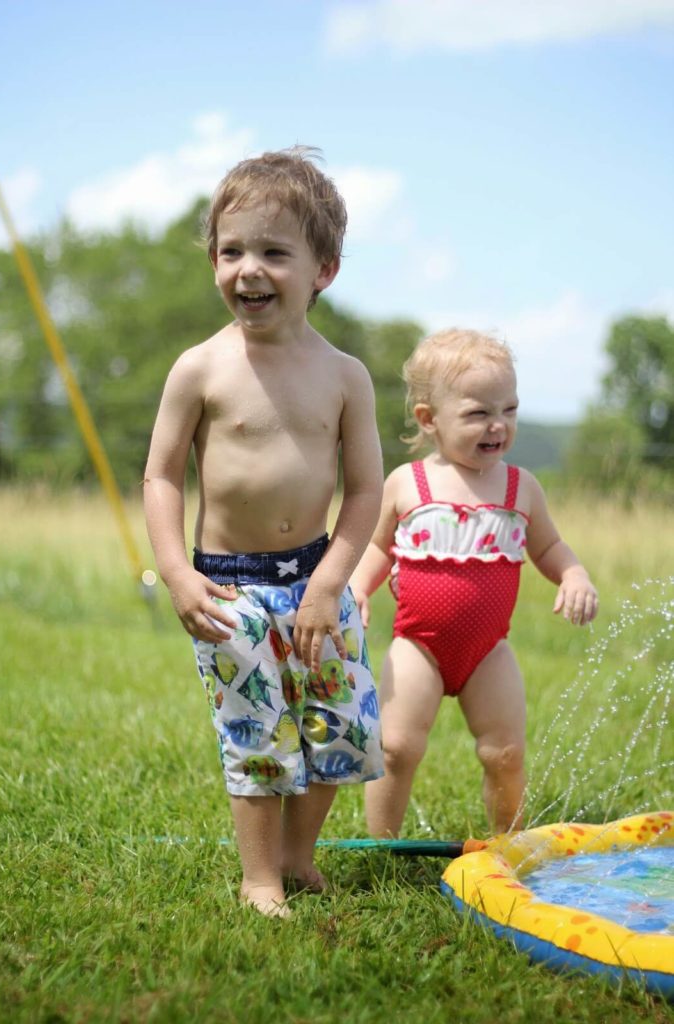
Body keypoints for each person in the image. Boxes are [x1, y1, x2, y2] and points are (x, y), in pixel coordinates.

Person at [143, 147, 384, 917]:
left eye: (274, 252)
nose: (248, 268)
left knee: (339, 730)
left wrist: (330, 583)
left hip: (320, 578)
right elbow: (160, 478)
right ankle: (260, 877)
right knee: (260, 733)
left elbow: (367, 490)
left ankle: (297, 855)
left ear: (325, 269)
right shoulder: (200, 369)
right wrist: (177, 574)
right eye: (231, 250)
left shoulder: (345, 376)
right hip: (228, 586)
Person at [350, 328, 598, 837]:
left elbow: (548, 547)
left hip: (489, 649)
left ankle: (510, 846)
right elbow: (377, 547)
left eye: (509, 409)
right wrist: (356, 588)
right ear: (428, 419)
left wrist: (572, 573)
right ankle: (383, 847)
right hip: (418, 644)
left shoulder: (520, 486)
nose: (497, 425)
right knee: (397, 747)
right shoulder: (407, 483)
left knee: (504, 752)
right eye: (478, 413)